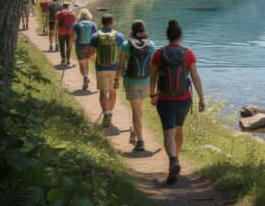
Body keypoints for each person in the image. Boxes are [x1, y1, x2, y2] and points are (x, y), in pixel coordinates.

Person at [150, 19, 205, 184]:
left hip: (165, 99)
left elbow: (152, 77)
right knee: (179, 129)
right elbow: (195, 77)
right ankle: (177, 158)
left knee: (168, 132)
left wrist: (152, 95)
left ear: (167, 36)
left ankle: (173, 159)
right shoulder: (188, 54)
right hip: (184, 99)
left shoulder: (159, 54)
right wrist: (202, 99)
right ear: (181, 36)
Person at [115, 20, 156, 152]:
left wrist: (117, 79)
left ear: (131, 30)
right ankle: (134, 130)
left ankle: (140, 140)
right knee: (139, 109)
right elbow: (155, 66)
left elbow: (121, 65)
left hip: (131, 81)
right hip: (146, 82)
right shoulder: (151, 44)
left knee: (136, 111)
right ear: (144, 30)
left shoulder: (126, 44)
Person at [88, 14, 124, 128]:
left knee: (103, 92)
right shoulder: (119, 36)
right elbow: (120, 54)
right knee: (112, 91)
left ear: (101, 23)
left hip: (101, 67)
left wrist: (96, 62)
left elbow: (90, 53)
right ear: (112, 22)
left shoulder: (95, 36)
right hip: (114, 68)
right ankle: (111, 113)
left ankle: (106, 114)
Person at [71, 9, 97, 89]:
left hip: (80, 46)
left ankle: (85, 77)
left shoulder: (77, 24)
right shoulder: (92, 24)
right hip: (90, 46)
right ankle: (101, 76)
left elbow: (73, 37)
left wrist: (69, 45)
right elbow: (95, 37)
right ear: (89, 15)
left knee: (82, 64)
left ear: (81, 15)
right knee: (87, 63)